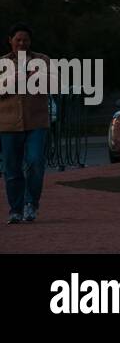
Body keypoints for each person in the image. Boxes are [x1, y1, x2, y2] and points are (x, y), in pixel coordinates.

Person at [0, 24, 50, 224]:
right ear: (10, 40)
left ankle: (32, 203)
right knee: (12, 169)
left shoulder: (42, 60)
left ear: (30, 42)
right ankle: (15, 210)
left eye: (25, 40)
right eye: (18, 39)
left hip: (36, 122)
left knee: (35, 162)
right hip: (8, 124)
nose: (22, 43)